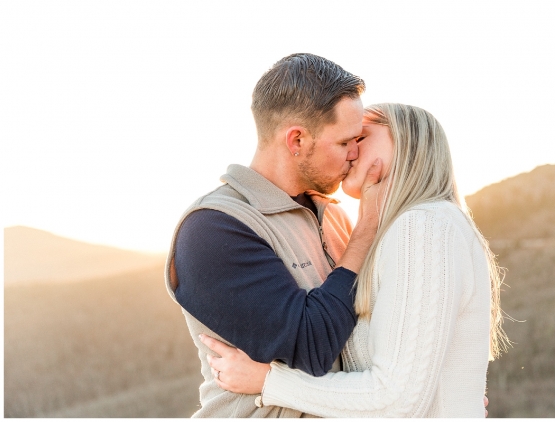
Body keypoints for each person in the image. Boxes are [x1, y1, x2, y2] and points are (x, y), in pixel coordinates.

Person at [200, 103, 508, 417]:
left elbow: (396, 400)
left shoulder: (423, 227)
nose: (349, 152)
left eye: (359, 137)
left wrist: (269, 381)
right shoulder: (419, 227)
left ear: (406, 144)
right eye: (345, 142)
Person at [165, 53, 384, 417]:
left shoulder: (335, 215)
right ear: (297, 139)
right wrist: (366, 234)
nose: (356, 153)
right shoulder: (214, 228)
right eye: (345, 142)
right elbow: (313, 346)